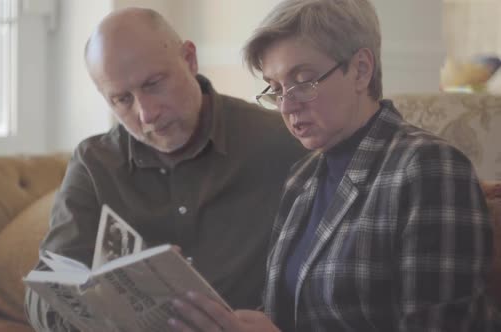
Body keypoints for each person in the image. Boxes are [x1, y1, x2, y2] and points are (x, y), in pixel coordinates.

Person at [168, 0, 500, 331]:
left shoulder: (429, 168)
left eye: (303, 80)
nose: (286, 105)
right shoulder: (303, 178)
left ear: (360, 70)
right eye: (276, 87)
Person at [24, 7, 305, 331]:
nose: (146, 114)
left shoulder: (281, 143)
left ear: (189, 59)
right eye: (121, 100)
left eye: (154, 84)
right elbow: (45, 293)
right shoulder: (94, 163)